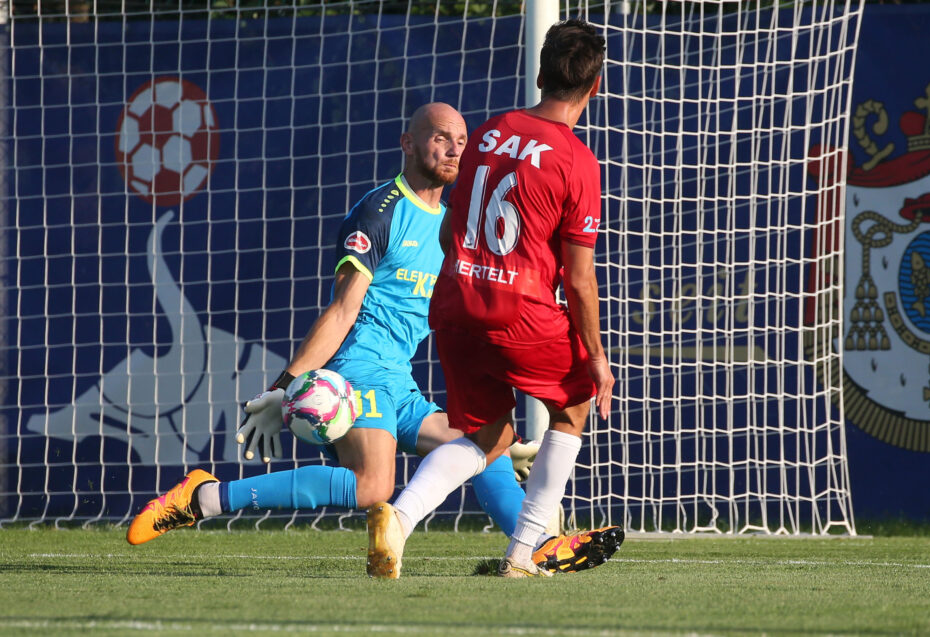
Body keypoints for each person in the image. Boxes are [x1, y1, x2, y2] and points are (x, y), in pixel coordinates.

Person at [125, 104, 596, 574]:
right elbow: (342, 310)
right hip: (358, 372)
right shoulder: (379, 211)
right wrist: (283, 386)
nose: (454, 150)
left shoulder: (459, 222)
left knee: (487, 448)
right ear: (407, 144)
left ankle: (536, 546)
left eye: (461, 141)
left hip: (399, 382)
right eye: (440, 138)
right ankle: (203, 497)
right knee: (373, 487)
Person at [366, 20, 621, 580]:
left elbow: (449, 225)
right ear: (595, 86)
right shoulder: (576, 159)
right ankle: (525, 554)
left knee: (489, 435)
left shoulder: (489, 131)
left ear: (539, 74)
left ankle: (399, 520)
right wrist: (597, 357)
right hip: (519, 308)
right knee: (575, 402)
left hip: (455, 302)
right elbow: (579, 281)